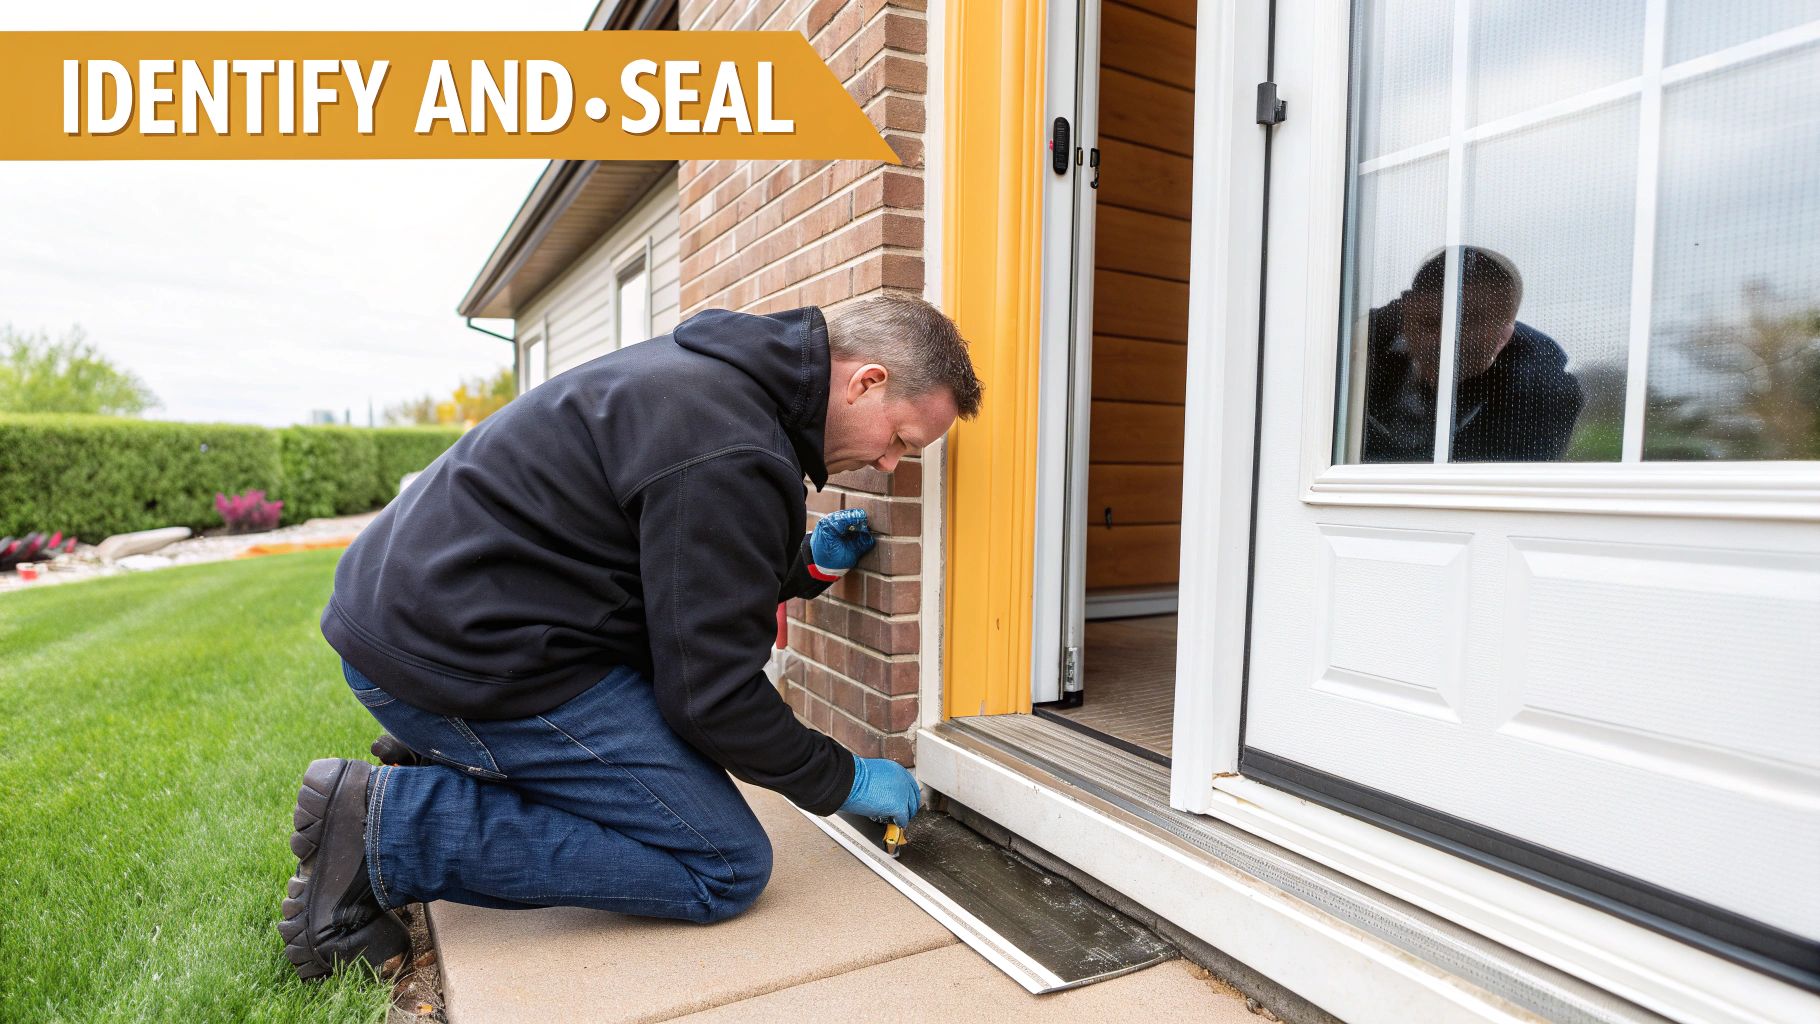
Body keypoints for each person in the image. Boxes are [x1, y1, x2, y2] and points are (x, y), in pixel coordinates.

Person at [276, 297, 983, 981]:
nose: (891, 465)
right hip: (459, 657)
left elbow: (684, 572)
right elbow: (712, 699)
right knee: (724, 864)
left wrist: (806, 565)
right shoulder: (732, 449)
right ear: (866, 382)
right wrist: (843, 778)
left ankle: (455, 756)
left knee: (667, 771)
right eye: (899, 441)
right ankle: (394, 825)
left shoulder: (716, 386)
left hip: (437, 616)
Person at [1359, 246, 1583, 463]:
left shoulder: (1541, 399)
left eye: (1467, 326)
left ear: (1504, 337)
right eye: (1429, 322)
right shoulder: (1346, 346)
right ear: (1407, 311)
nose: (1442, 342)